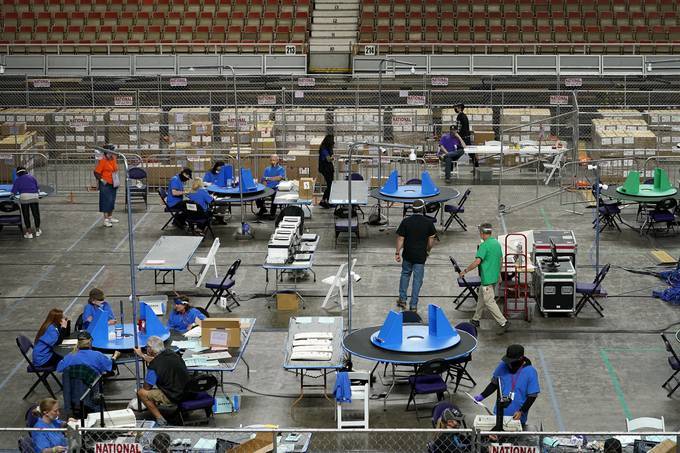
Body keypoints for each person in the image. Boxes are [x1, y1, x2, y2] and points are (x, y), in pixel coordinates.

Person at [459, 223, 510, 334]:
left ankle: (503, 322)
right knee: (482, 298)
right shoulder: (496, 243)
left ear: (482, 233)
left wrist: (465, 271)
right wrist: (499, 274)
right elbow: (501, 259)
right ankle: (475, 319)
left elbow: (477, 261)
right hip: (494, 277)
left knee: (489, 301)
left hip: (487, 278)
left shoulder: (484, 245)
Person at [473, 344, 540, 429]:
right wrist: (482, 395)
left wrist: (521, 411)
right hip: (498, 415)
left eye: (511, 361)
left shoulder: (531, 372)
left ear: (520, 359)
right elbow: (494, 384)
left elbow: (532, 396)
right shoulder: (503, 366)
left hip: (516, 418)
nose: (509, 364)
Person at [133, 336, 190, 427]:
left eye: (147, 347)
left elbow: (147, 387)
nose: (146, 349)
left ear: (150, 349)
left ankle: (160, 419)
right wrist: (142, 355)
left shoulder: (154, 366)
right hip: (188, 390)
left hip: (174, 395)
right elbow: (158, 360)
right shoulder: (172, 354)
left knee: (142, 393)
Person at [395, 199, 437, 312]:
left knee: (405, 275)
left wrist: (397, 252)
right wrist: (428, 250)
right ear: (423, 209)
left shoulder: (406, 221)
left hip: (408, 255)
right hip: (420, 256)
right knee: (417, 280)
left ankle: (402, 300)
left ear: (412, 209)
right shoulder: (428, 223)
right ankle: (413, 305)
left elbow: (400, 238)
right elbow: (431, 238)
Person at [11, 166, 41, 239]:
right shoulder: (32, 177)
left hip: (24, 197)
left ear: (18, 173)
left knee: (26, 214)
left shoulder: (17, 180)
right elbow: (38, 188)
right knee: (36, 214)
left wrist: (12, 195)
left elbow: (13, 192)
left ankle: (29, 233)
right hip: (34, 196)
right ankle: (37, 231)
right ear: (26, 171)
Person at [93, 144, 119, 228]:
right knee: (105, 201)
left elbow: (115, 169)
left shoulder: (113, 159)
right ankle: (106, 220)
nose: (114, 152)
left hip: (113, 182)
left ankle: (110, 217)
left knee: (112, 200)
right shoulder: (103, 160)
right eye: (112, 150)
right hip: (105, 184)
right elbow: (96, 172)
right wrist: (102, 180)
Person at [256, 154, 286, 219]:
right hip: (267, 188)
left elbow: (279, 178)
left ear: (277, 161)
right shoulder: (267, 169)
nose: (272, 162)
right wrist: (264, 186)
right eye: (271, 160)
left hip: (276, 188)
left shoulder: (281, 169)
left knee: (274, 196)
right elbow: (263, 179)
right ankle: (263, 208)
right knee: (257, 195)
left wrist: (268, 178)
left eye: (274, 160)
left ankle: (272, 213)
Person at [454, 103, 477, 169]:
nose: (455, 109)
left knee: (457, 153)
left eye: (457, 107)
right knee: (471, 153)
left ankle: (452, 167)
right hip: (466, 137)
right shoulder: (464, 116)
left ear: (460, 108)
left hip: (463, 138)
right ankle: (476, 166)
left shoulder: (460, 116)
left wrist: (457, 135)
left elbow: (459, 128)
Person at [318, 134, 335, 209]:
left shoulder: (326, 147)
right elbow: (328, 159)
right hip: (326, 169)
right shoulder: (324, 148)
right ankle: (323, 200)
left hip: (328, 168)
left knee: (330, 185)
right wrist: (333, 158)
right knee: (330, 185)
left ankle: (327, 200)